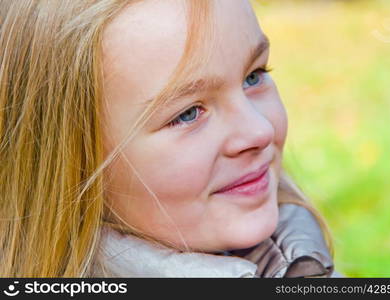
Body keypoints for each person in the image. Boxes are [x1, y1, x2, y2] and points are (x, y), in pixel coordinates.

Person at [0, 0, 341, 277]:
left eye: (253, 76)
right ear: (70, 162)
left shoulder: (298, 257)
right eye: (188, 113)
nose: (259, 131)